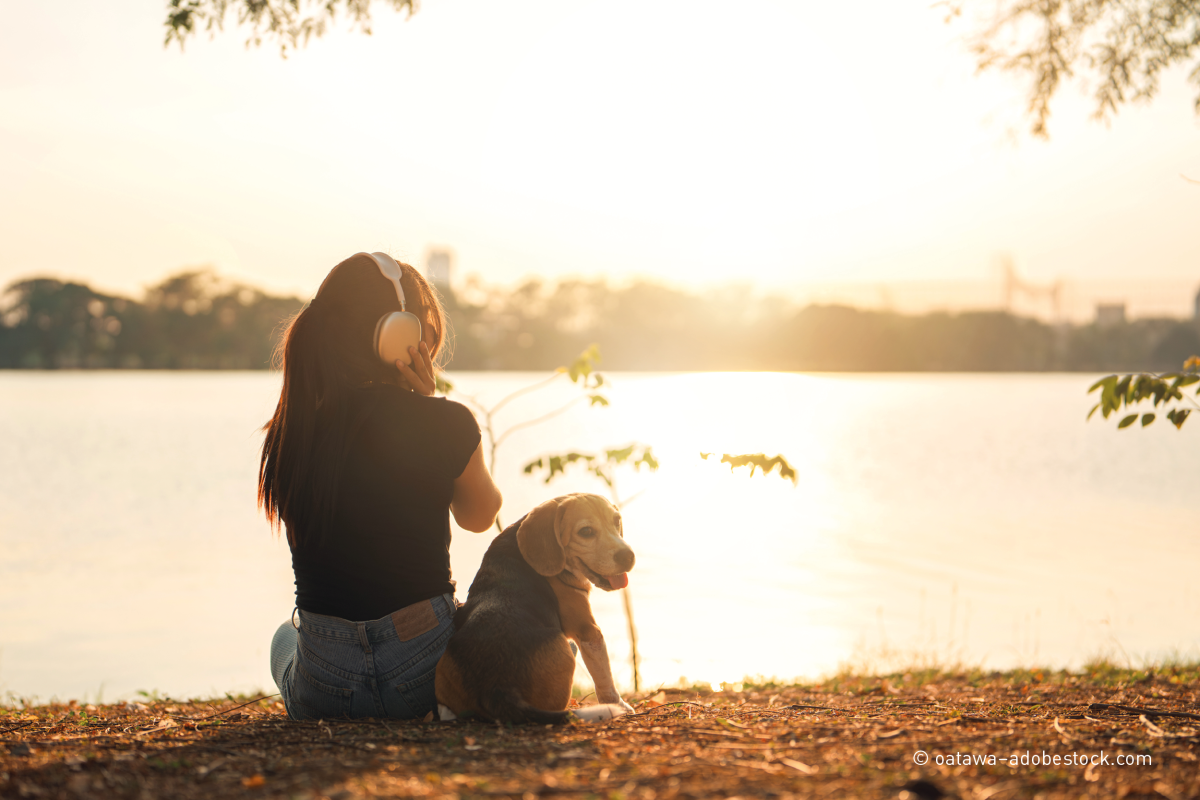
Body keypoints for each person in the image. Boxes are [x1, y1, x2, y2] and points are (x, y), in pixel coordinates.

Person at [259, 252, 502, 720]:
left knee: (283, 638)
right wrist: (430, 409)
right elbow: (480, 516)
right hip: (427, 679)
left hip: (324, 689)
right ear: (401, 333)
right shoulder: (445, 420)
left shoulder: (293, 430)